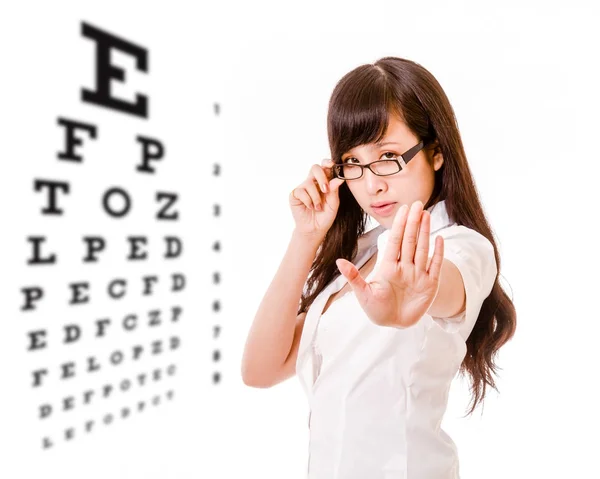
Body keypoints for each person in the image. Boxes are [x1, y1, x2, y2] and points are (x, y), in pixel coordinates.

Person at [241, 56, 517, 479]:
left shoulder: (462, 246)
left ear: (436, 153)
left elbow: (442, 285)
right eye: (352, 162)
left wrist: (412, 298)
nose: (371, 183)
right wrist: (306, 236)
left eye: (388, 155)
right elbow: (259, 369)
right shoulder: (359, 255)